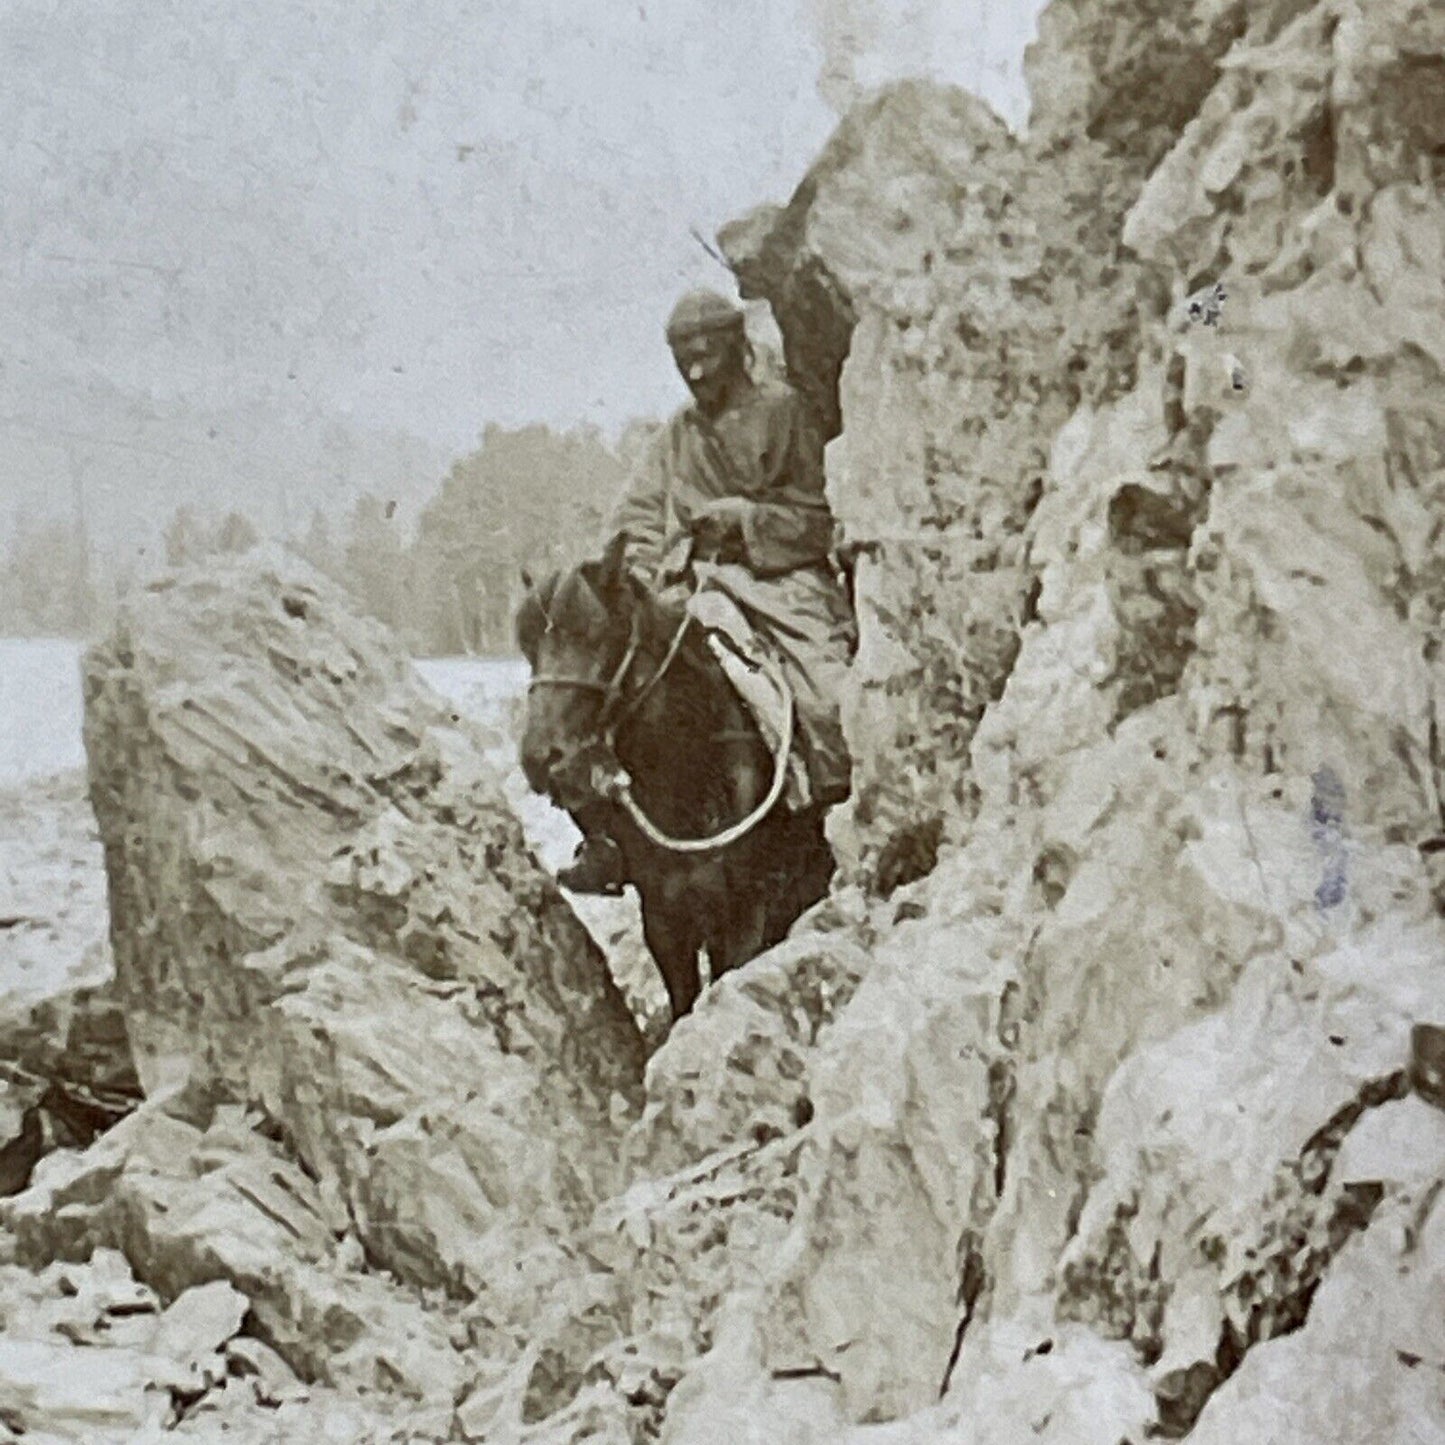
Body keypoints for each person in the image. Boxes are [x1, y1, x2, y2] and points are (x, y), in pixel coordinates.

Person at [557, 287, 857, 895]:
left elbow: (818, 515)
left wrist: (746, 518)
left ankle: (837, 811)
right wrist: (635, 573)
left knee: (829, 692)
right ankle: (608, 841)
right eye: (682, 359)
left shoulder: (786, 411)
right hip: (691, 582)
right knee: (606, 691)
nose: (695, 371)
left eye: (707, 355)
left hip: (780, 582)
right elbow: (638, 515)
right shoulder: (677, 434)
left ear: (737, 347)